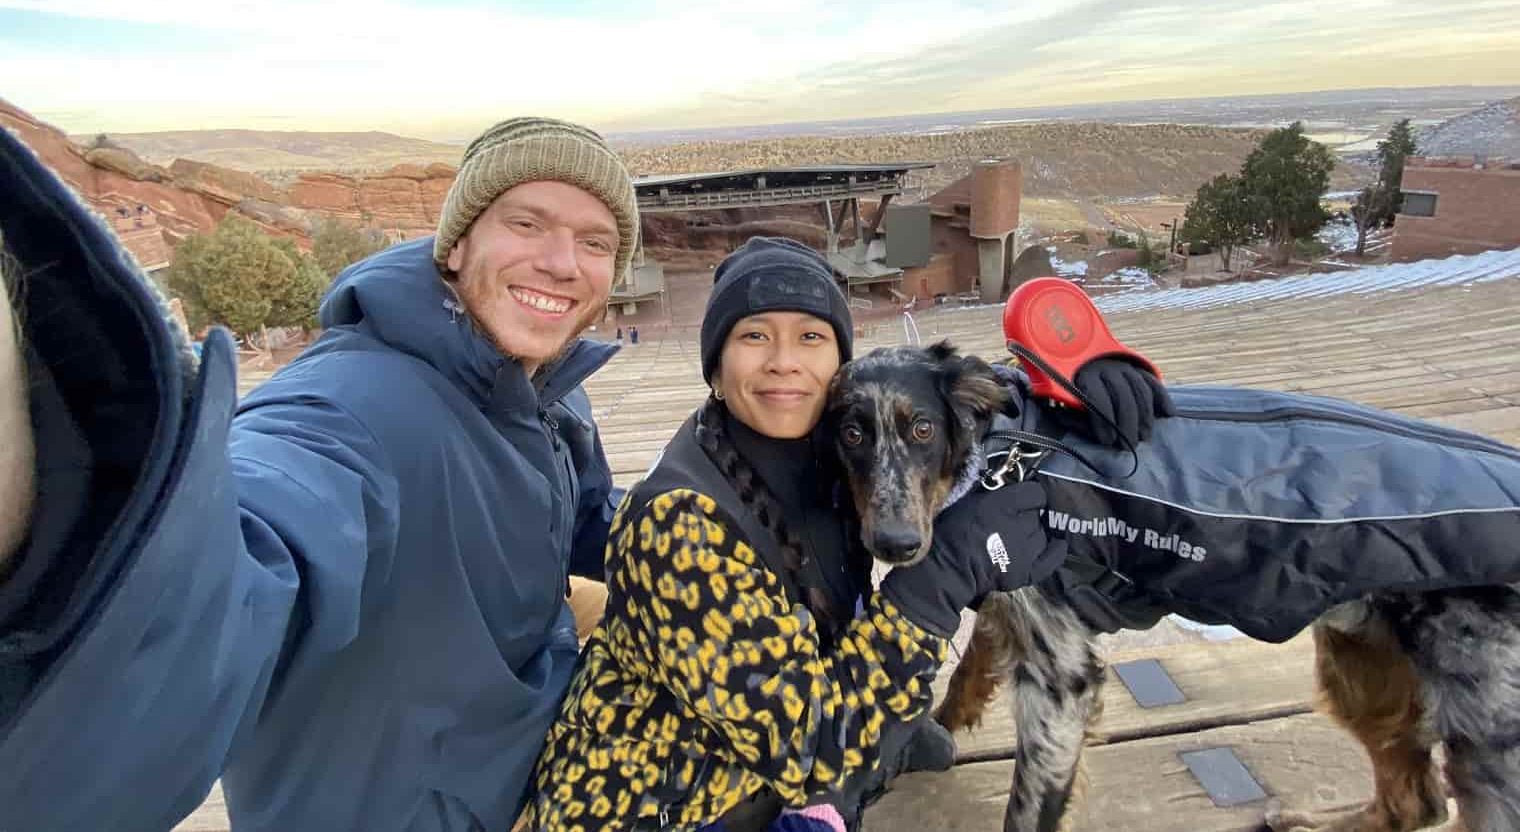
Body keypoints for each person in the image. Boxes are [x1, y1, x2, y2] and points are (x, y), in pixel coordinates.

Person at [0, 116, 641, 831]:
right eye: (528, 223)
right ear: (457, 243)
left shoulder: (550, 391)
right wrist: (54, 557)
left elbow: (592, 522)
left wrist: (729, 538)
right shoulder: (349, 402)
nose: (562, 262)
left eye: (596, 242)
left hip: (522, 785)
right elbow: (243, 560)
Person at [526, 238, 1166, 832]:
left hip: (756, 760)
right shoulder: (678, 526)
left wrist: (1081, 377)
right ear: (715, 370)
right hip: (659, 807)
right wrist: (938, 582)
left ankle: (893, 736)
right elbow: (815, 755)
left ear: (840, 369)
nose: (784, 362)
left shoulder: (830, 448)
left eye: (810, 336)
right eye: (753, 336)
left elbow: (945, 396)